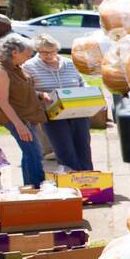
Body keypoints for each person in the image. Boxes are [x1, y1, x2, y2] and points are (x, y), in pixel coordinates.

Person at [0, 34, 47, 188]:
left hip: (25, 117)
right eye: (27, 54)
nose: (28, 58)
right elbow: (3, 102)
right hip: (17, 119)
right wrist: (19, 125)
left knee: (32, 153)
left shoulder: (14, 67)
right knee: (34, 154)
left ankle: (31, 188)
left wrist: (39, 95)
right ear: (14, 53)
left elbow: (19, 89)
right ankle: (36, 188)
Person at [23, 34, 93, 173]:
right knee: (64, 148)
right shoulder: (29, 66)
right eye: (44, 52)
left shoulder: (69, 63)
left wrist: (87, 92)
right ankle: (71, 180)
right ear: (37, 50)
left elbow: (81, 82)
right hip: (52, 112)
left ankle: (88, 178)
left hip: (78, 109)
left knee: (83, 146)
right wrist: (40, 94)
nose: (49, 55)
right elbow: (27, 89)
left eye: (52, 51)